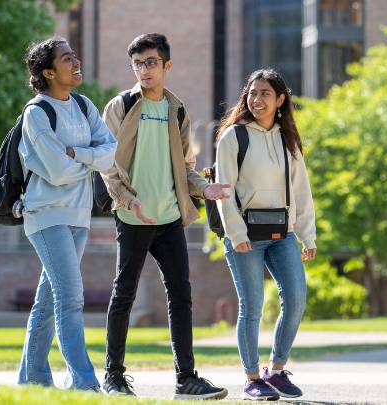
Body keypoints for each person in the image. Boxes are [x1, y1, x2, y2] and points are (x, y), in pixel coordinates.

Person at [99, 33, 230, 400]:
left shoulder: (178, 111)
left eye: (151, 62)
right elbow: (106, 166)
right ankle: (114, 377)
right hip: (133, 217)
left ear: (166, 65)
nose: (144, 70)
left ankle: (186, 378)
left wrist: (206, 189)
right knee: (123, 295)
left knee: (181, 296)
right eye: (138, 64)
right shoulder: (121, 106)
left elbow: (186, 168)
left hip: (170, 218)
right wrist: (126, 201)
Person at [17, 36, 117, 391]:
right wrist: (88, 159)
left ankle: (32, 379)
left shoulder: (84, 105)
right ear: (48, 72)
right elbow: (56, 172)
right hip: (46, 214)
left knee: (47, 302)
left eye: (75, 56)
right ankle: (84, 382)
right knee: (70, 297)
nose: (76, 63)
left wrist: (80, 155)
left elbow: (111, 152)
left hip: (78, 214)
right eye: (67, 59)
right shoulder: (36, 113)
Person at [215, 68, 317, 400]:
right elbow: (224, 191)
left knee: (297, 299)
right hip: (245, 235)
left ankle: (275, 371)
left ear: (280, 100)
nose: (257, 100)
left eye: (265, 94)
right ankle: (250, 378)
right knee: (252, 306)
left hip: (283, 234)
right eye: (252, 93)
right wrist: (235, 231)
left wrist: (307, 234)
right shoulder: (234, 137)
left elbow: (301, 190)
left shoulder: (288, 140)